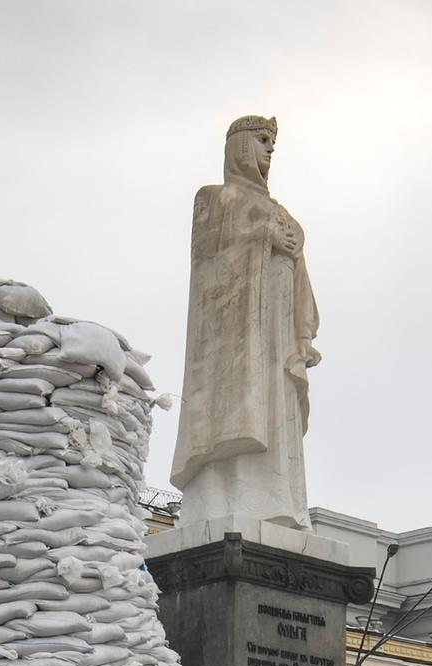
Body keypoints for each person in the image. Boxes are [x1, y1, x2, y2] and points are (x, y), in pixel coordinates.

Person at [170, 114, 322, 529]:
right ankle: (223, 503)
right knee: (237, 413)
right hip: (232, 340)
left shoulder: (282, 212)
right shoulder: (215, 198)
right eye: (262, 139)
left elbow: (298, 273)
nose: (270, 148)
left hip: (277, 337)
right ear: (240, 145)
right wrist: (261, 238)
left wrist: (302, 333)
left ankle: (278, 505)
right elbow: (205, 259)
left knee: (276, 413)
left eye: (272, 142)